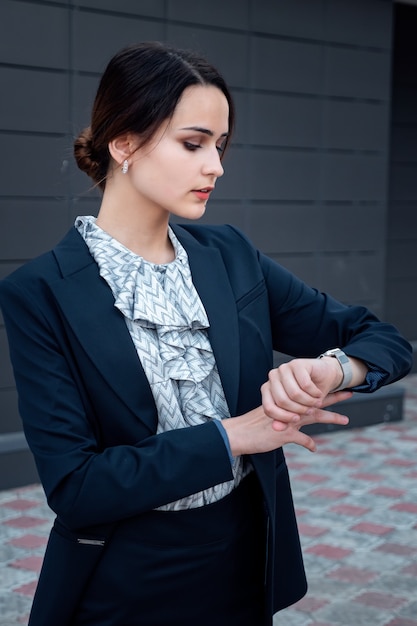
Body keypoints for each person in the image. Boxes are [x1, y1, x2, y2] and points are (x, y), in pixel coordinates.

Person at [0, 41, 412, 626]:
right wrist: (229, 438)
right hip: (125, 582)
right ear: (123, 143)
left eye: (220, 147)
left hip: (245, 564)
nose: (215, 166)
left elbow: (382, 338)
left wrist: (335, 369)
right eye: (193, 144)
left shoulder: (232, 257)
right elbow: (76, 486)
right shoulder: (40, 292)